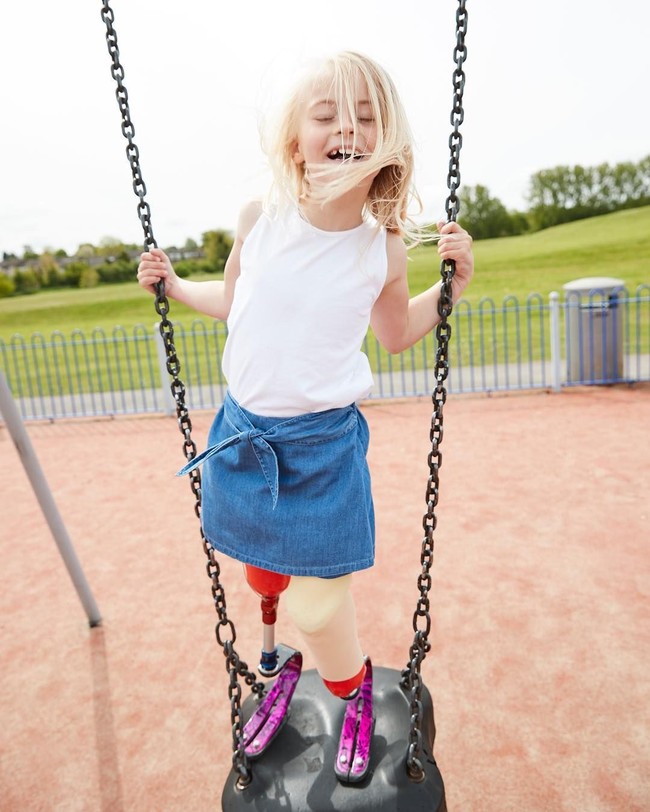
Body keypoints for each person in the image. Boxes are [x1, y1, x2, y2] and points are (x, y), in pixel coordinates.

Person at [137, 50, 473, 779]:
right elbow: (235, 303)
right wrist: (172, 286)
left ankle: (351, 690)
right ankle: (276, 660)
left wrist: (453, 288)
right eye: (326, 115)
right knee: (262, 575)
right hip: (243, 434)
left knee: (321, 609)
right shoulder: (260, 218)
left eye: (364, 117)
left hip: (321, 448)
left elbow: (392, 334)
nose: (345, 128)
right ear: (297, 138)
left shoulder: (378, 244)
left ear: (387, 139)